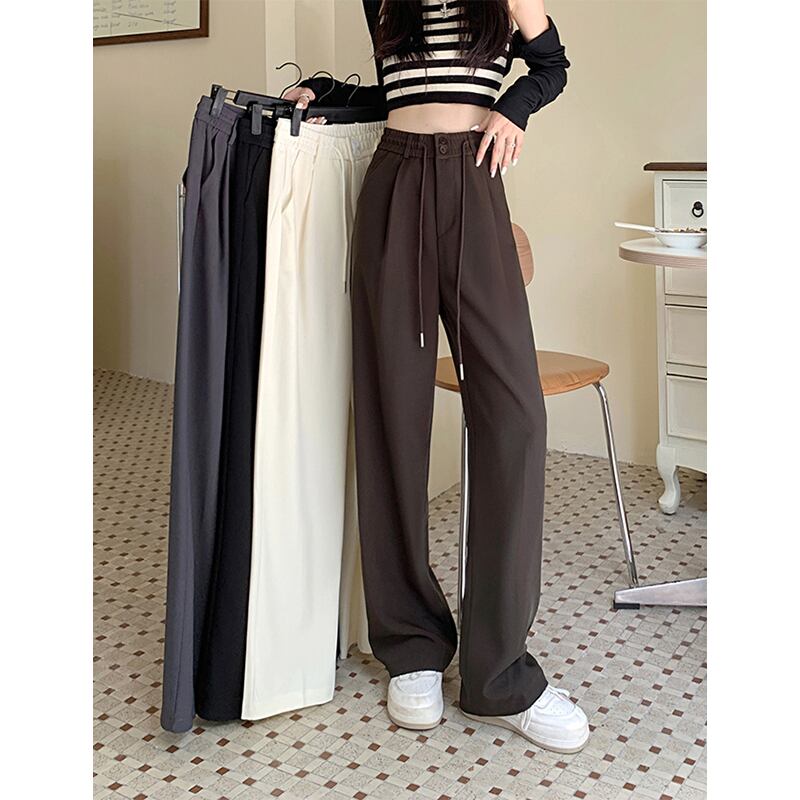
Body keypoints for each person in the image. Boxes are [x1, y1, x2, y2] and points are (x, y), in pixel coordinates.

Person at [285, 0, 589, 754]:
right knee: (392, 411)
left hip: (475, 183)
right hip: (393, 181)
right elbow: (400, 91)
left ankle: (500, 673)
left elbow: (551, 66)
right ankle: (412, 644)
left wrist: (513, 109)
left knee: (515, 418)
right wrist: (327, 93)